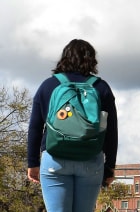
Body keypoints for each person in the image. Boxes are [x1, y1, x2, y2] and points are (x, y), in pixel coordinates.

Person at [27, 39, 118, 212]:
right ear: (91, 59)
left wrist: (33, 162)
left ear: (64, 58)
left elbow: (35, 127)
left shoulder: (48, 86)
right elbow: (111, 131)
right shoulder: (101, 88)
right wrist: (110, 167)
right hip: (90, 160)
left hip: (55, 159)